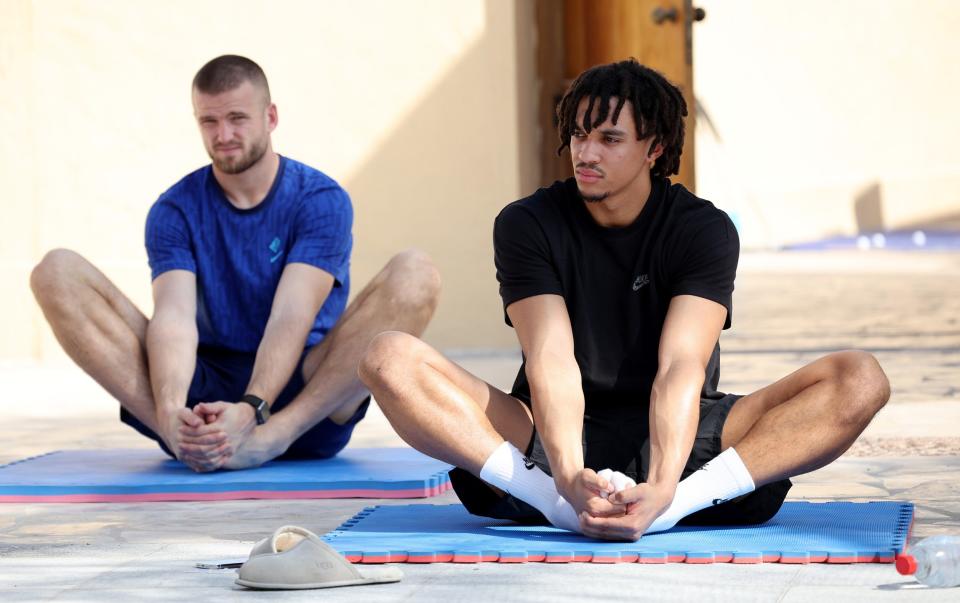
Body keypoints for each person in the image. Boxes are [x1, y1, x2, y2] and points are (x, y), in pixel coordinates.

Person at [357, 59, 890, 540]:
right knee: (387, 357)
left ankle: (676, 508)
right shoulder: (527, 223)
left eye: (610, 139)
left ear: (654, 148)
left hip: (683, 436)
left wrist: (663, 486)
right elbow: (550, 356)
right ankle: (555, 506)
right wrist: (564, 479)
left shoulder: (702, 229)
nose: (586, 154)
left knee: (860, 378)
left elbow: (681, 364)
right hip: (548, 433)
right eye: (578, 136)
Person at [30, 55, 440, 473]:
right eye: (209, 121)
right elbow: (173, 317)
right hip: (202, 387)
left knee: (416, 272)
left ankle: (274, 439)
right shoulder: (175, 209)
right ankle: (179, 436)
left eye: (237, 118)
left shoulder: (319, 199)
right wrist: (171, 410)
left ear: (271, 116)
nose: (223, 134)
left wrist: (253, 410)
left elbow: (291, 315)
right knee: (56, 271)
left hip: (304, 391)